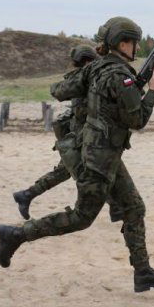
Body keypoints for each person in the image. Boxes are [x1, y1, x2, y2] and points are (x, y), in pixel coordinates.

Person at [0, 17, 154, 293]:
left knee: (134, 208)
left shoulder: (97, 69)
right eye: (134, 42)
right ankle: (15, 234)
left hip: (102, 153)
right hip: (99, 159)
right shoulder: (119, 75)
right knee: (82, 217)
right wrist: (152, 92)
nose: (137, 48)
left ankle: (143, 272)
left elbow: (59, 91)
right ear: (122, 42)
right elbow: (137, 120)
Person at [12, 44, 100, 219]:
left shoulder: (83, 79)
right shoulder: (81, 81)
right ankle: (117, 208)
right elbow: (61, 91)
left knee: (64, 171)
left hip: (82, 136)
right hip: (81, 138)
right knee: (94, 174)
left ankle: (27, 195)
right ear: (88, 61)